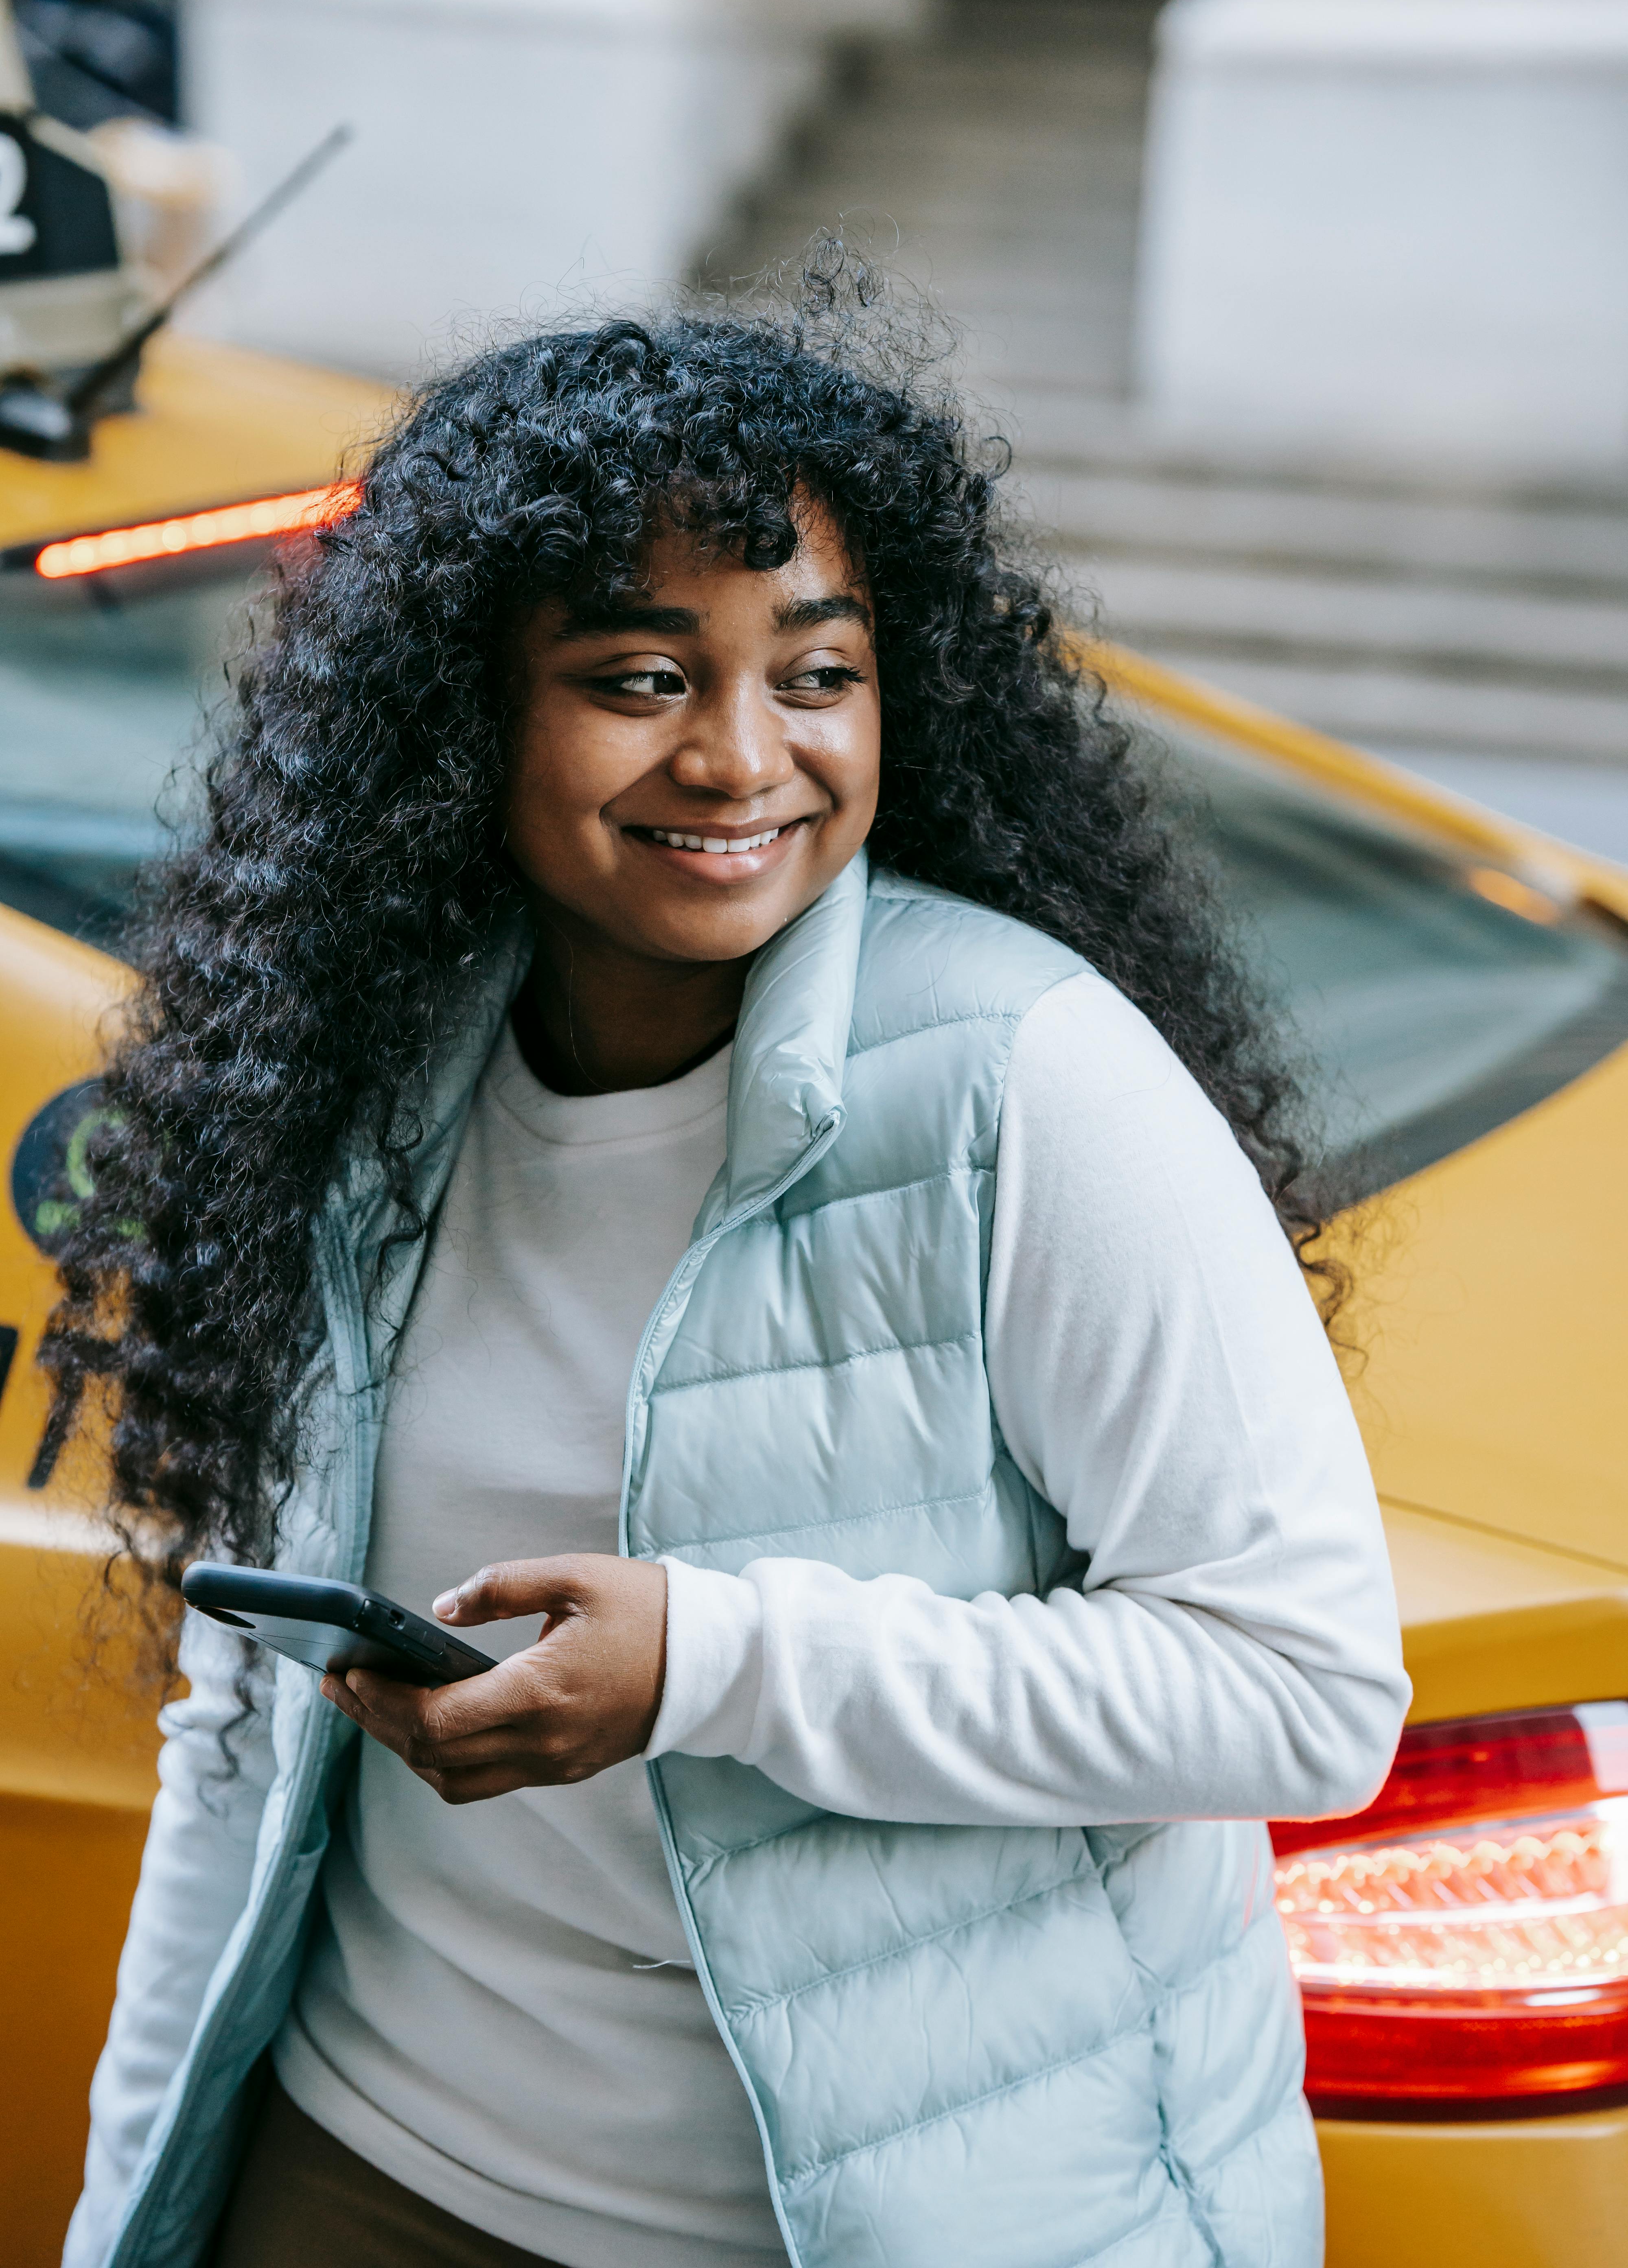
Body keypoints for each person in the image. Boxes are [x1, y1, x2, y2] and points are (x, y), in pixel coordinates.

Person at [46, 283, 1408, 2268]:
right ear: (467, 714)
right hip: (369, 2172)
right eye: (637, 676)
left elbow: (1301, 1695)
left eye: (817, 672)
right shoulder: (355, 1075)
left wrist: (716, 1662)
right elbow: (241, 1733)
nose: (743, 758)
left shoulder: (1025, 1078)